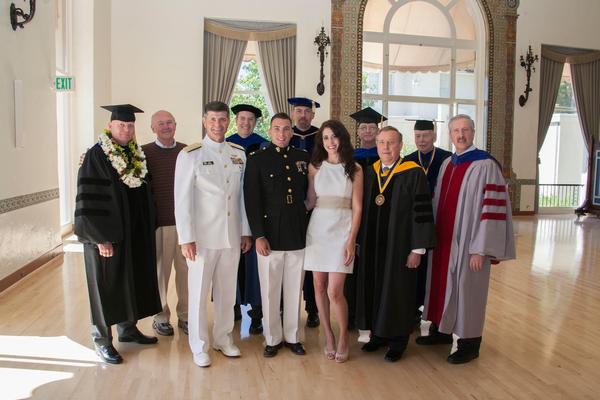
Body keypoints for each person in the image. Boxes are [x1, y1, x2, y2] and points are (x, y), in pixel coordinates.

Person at [418, 114, 515, 364]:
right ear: (449, 135)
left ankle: (470, 343)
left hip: (470, 244)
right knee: (441, 285)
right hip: (443, 243)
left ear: (473, 132)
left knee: (468, 291)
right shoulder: (448, 164)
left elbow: (492, 210)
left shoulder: (486, 165)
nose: (461, 135)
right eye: (456, 131)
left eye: (465, 130)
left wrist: (480, 249)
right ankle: (442, 330)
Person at [75, 104, 161, 365]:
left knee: (130, 280)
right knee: (104, 287)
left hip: (132, 234)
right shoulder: (96, 155)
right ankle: (102, 340)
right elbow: (89, 198)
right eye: (121, 125)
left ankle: (128, 329)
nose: (126, 129)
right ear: (110, 126)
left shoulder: (135, 154)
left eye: (130, 125)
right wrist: (99, 238)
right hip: (106, 238)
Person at [174, 101, 252, 368]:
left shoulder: (238, 154)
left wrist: (245, 231)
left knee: (227, 291)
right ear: (204, 121)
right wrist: (186, 238)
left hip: (231, 236)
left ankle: (223, 338)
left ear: (227, 122)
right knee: (198, 293)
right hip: (202, 238)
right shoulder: (190, 154)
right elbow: (182, 200)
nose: (218, 125)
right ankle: (199, 345)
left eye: (222, 120)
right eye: (213, 120)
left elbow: (241, 198)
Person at [355, 126, 436, 362]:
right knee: (375, 288)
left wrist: (417, 249)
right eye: (382, 143)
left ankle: (398, 340)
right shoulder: (370, 173)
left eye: (391, 143)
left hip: (400, 248)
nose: (386, 148)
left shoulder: (413, 173)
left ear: (400, 146)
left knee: (398, 291)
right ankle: (378, 335)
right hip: (372, 247)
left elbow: (421, 213)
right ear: (377, 145)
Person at [244, 113, 310, 358]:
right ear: (269, 131)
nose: (282, 134)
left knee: (295, 289)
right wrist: (258, 235)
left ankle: (293, 336)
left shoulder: (302, 158)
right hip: (269, 235)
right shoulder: (257, 159)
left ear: (292, 132)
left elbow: (308, 195)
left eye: (286, 129)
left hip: (297, 233)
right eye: (277, 129)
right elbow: (252, 201)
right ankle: (272, 339)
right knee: (270, 290)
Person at [304, 120, 363, 363]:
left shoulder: (355, 168)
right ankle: (328, 334)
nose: (330, 142)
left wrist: (351, 241)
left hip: (342, 229)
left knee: (334, 291)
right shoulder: (315, 167)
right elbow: (309, 201)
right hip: (317, 229)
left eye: (334, 137)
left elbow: (357, 207)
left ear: (342, 139)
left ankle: (343, 337)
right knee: (318, 286)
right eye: (325, 138)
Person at [142, 110, 189, 337]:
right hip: (160, 224)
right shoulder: (143, 153)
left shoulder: (187, 152)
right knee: (160, 274)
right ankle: (160, 317)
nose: (166, 126)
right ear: (152, 128)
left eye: (169, 122)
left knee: (186, 272)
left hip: (186, 225)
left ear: (176, 124)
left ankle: (186, 316)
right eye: (160, 124)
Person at [403, 120, 452, 327]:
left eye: (425, 135)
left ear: (434, 136)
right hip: (416, 220)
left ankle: (435, 311)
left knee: (437, 265)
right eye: (418, 136)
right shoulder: (408, 160)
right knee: (416, 266)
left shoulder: (446, 159)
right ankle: (413, 309)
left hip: (440, 219)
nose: (421, 140)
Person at [227, 103, 267, 334]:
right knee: (230, 261)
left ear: (255, 122)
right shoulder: (226, 144)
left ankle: (257, 312)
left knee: (253, 265)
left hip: (253, 212)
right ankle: (231, 306)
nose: (245, 122)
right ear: (236, 120)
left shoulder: (262, 145)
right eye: (242, 118)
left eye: (250, 119)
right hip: (230, 213)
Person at [346, 107, 386, 330]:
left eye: (372, 127)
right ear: (358, 132)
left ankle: (377, 310)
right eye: (364, 127)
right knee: (354, 266)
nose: (368, 131)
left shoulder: (388, 157)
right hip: (356, 219)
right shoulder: (351, 158)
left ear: (378, 130)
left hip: (380, 218)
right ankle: (353, 312)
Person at [288, 96, 320, 328]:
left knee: (312, 259)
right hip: (288, 208)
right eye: (298, 110)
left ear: (313, 114)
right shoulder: (283, 136)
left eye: (306, 111)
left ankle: (312, 308)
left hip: (316, 209)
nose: (302, 115)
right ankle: (284, 308)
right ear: (292, 113)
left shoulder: (321, 138)